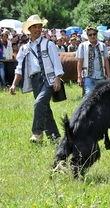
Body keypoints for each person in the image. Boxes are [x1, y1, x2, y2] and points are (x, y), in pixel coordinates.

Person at [9, 14, 64, 143]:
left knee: (39, 103)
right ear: (29, 29)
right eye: (35, 27)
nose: (38, 29)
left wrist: (57, 78)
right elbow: (19, 69)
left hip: (48, 79)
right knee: (45, 108)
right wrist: (13, 84)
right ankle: (55, 137)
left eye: (40, 27)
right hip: (34, 81)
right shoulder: (24, 48)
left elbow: (57, 63)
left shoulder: (49, 44)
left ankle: (37, 133)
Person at [76, 26, 110, 97]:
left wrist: (108, 76)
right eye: (90, 35)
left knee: (101, 97)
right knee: (89, 96)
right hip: (88, 76)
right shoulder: (82, 46)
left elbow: (106, 61)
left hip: (101, 76)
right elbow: (80, 61)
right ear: (87, 36)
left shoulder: (103, 45)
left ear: (97, 34)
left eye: (94, 34)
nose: (92, 36)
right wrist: (79, 77)